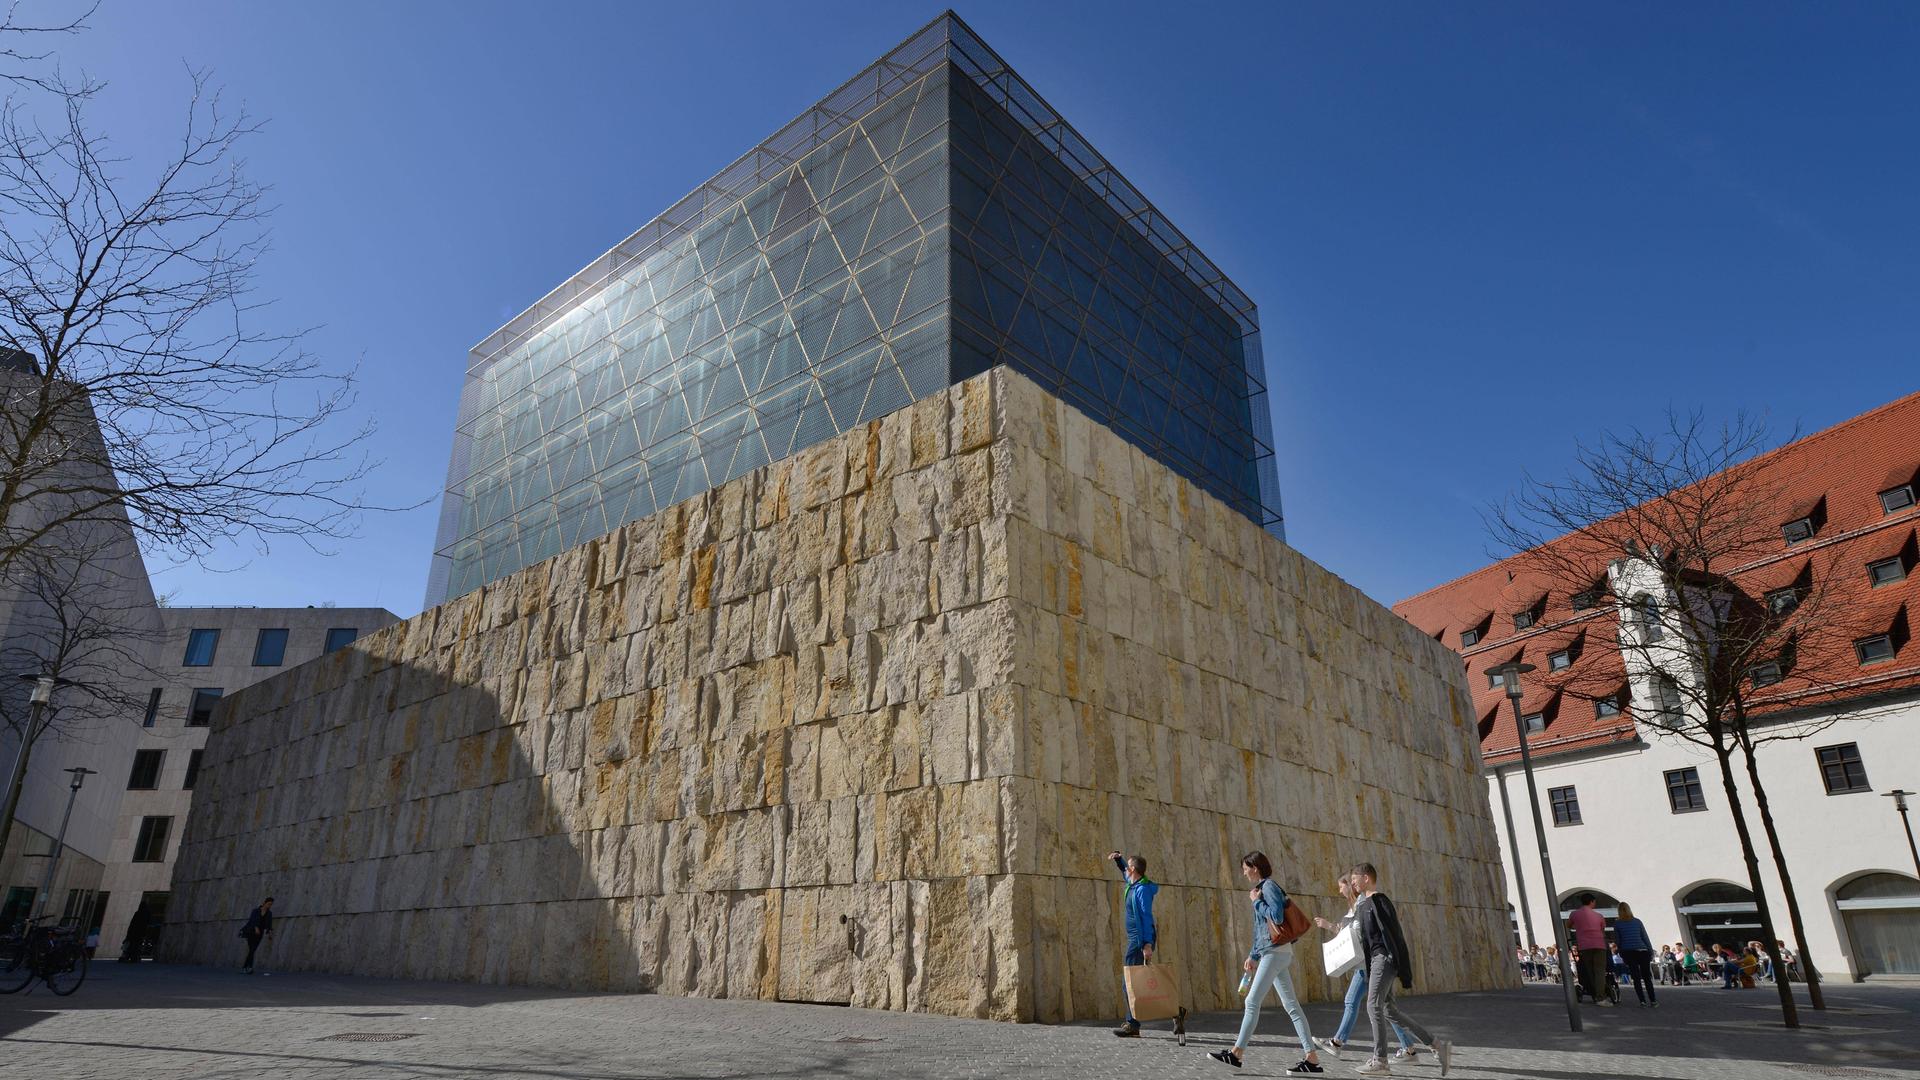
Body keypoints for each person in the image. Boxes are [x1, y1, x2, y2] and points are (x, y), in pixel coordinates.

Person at [1206, 852, 1324, 1074]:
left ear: (1254, 867)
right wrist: (1253, 956)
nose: (1243, 872)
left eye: (1245, 868)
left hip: (1276, 953)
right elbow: (1262, 931)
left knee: (1252, 1001)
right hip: (1275, 952)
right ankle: (1312, 1059)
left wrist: (1256, 902)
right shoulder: (1262, 888)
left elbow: (1277, 918)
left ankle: (1236, 1054)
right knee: (1292, 1007)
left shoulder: (1267, 887)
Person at [1350, 862, 1452, 1078]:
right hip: (1375, 961)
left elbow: (1395, 934)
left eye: (1354, 878)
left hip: (1383, 959)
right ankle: (1435, 1044)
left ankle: (1380, 1061)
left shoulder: (1379, 900)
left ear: (1366, 877)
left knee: (1372, 1005)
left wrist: (1397, 963)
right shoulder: (1363, 905)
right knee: (1389, 1011)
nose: (1352, 882)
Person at [1310, 872, 1418, 1064]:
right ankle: (1409, 1049)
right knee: (1386, 1007)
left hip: (1369, 963)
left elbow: (1357, 932)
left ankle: (1338, 1043)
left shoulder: (1362, 903)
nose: (1341, 889)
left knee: (1355, 1001)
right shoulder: (1355, 906)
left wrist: (1331, 926)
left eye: (1343, 885)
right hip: (1367, 962)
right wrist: (1330, 926)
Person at [1106, 851, 1186, 1042]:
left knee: (1129, 983)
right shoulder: (1133, 884)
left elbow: (1146, 918)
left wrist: (1147, 944)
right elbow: (1124, 871)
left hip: (1139, 940)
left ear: (1134, 869)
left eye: (1128, 867)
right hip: (1135, 938)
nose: (1126, 870)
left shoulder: (1142, 890)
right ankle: (1176, 1011)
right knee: (1141, 983)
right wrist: (1119, 860)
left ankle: (1132, 1025)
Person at [1568, 894, 1611, 1006]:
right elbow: (1602, 929)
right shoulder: (1599, 916)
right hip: (1599, 944)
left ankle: (1593, 992)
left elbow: (1569, 926)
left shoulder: (1574, 914)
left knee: (1589, 970)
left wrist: (1578, 927)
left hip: (1584, 946)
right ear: (1592, 902)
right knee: (1600, 971)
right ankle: (1600, 996)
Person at [1613, 902, 1657, 1007]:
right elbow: (1645, 937)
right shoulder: (1637, 921)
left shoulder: (1617, 924)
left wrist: (1621, 951)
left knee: (1636, 977)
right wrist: (1650, 950)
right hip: (1642, 950)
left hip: (1628, 952)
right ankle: (1653, 1000)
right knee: (1647, 977)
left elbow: (1618, 940)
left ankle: (1642, 1001)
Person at [239, 896, 274, 974]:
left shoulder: (269, 913)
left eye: (271, 904)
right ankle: (249, 967)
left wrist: (270, 933)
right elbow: (252, 921)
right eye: (268, 904)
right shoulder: (255, 911)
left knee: (253, 950)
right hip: (251, 932)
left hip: (259, 933)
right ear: (264, 903)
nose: (269, 906)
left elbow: (269, 924)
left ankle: (245, 967)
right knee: (252, 949)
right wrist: (256, 928)